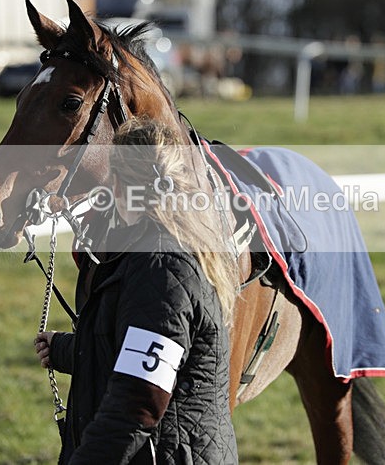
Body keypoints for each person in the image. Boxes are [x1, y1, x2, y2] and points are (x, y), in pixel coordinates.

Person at [34, 118, 239, 464]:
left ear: (115, 186)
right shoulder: (151, 250)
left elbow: (139, 400)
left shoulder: (161, 267)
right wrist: (68, 350)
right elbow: (138, 350)